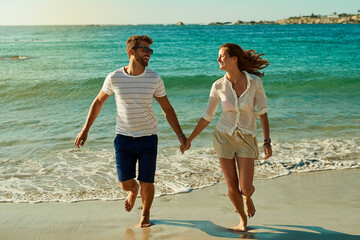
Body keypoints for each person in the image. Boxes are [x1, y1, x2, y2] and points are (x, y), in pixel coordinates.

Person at [74, 35, 187, 228]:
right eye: (145, 50)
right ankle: (132, 191)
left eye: (150, 51)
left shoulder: (154, 78)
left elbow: (167, 109)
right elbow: (98, 102)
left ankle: (145, 214)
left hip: (148, 138)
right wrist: (85, 130)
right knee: (126, 183)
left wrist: (181, 135)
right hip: (124, 138)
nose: (149, 54)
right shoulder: (114, 77)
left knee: (147, 181)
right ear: (131, 52)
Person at [181, 43, 272, 232]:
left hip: (247, 137)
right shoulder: (218, 86)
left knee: (245, 187)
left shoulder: (255, 82)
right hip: (223, 137)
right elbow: (207, 116)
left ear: (234, 59)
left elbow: (262, 112)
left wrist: (266, 141)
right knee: (231, 184)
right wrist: (190, 139)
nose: (218, 60)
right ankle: (242, 220)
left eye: (222, 56)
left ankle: (247, 197)